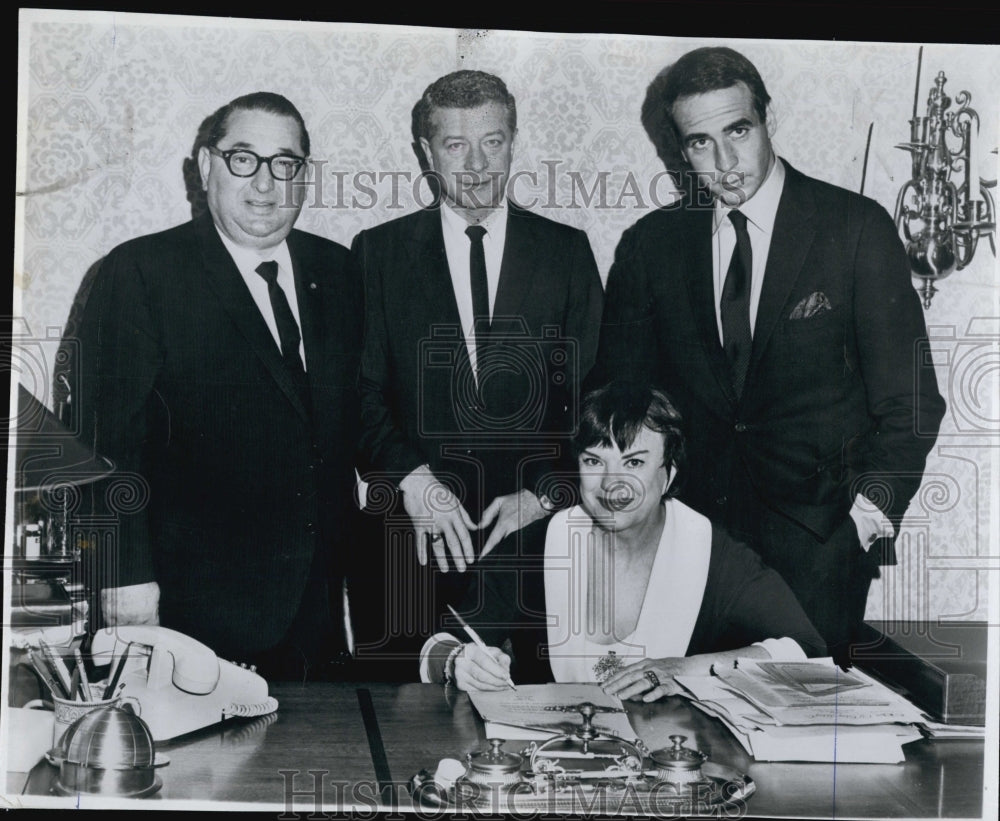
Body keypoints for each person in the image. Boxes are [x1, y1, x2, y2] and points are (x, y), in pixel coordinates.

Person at [589, 47, 946, 664]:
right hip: (687, 544)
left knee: (798, 743)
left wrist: (862, 521)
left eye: (737, 131)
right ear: (679, 149)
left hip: (819, 546)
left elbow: (911, 403)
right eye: (700, 143)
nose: (725, 162)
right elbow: (619, 398)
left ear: (767, 120)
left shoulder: (854, 227)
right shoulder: (651, 245)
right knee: (684, 736)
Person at [71, 92, 362, 679]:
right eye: (243, 159)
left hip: (313, 612)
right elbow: (102, 446)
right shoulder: (141, 272)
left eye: (286, 164)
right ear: (206, 167)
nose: (266, 184)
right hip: (182, 607)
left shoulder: (338, 271)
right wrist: (123, 580)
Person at [350, 70, 603, 669]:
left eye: (492, 141)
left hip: (544, 542)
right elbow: (356, 394)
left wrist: (544, 494)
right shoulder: (377, 254)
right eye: (455, 145)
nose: (477, 164)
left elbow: (597, 393)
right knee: (407, 728)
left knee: (551, 729)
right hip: (409, 542)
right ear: (426, 153)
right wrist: (414, 482)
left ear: (514, 141)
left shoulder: (566, 252)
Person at [421, 381, 826, 696]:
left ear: (668, 475)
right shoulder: (537, 545)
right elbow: (435, 647)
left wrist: (682, 670)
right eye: (594, 461)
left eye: (633, 462)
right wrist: (459, 660)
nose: (613, 484)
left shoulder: (712, 554)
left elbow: (808, 653)